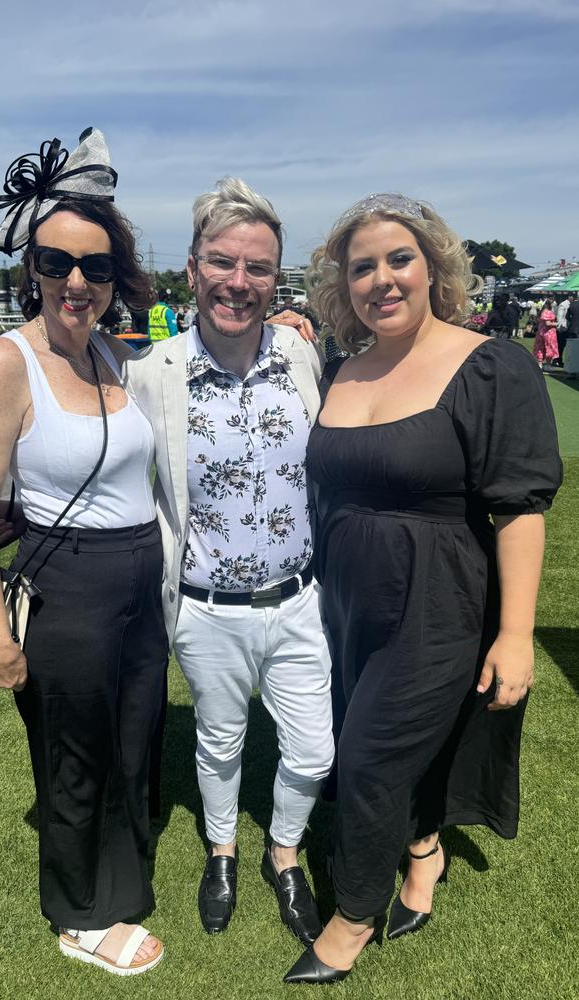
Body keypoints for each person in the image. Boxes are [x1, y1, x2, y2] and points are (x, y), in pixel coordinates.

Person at [283, 192, 562, 984]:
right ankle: (424, 852)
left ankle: (353, 914)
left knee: (368, 758)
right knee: (388, 743)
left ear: (435, 265)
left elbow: (518, 509)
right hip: (344, 604)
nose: (382, 279)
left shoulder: (490, 363)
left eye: (398, 259)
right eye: (361, 266)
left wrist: (514, 636)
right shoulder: (341, 367)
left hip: (438, 604)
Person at [0, 129, 168, 977]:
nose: (77, 281)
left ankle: (121, 865)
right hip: (67, 590)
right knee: (74, 754)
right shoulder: (7, 363)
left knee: (133, 736)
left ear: (118, 278)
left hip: (136, 587)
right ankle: (79, 915)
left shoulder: (115, 352)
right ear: (32, 268)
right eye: (58, 262)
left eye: (98, 266)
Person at [125, 177, 334, 946]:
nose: (239, 283)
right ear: (192, 268)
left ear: (275, 279)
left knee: (314, 747)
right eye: (223, 262)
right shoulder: (153, 375)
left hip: (300, 600)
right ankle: (222, 850)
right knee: (219, 742)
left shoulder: (302, 356)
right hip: (206, 610)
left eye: (257, 268)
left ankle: (285, 851)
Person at [533, 298, 559, 366]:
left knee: (540, 347)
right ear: (550, 304)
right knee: (549, 348)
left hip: (541, 331)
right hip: (549, 333)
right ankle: (548, 364)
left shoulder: (542, 311)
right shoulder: (548, 312)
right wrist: (557, 324)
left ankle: (540, 363)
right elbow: (548, 323)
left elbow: (539, 320)